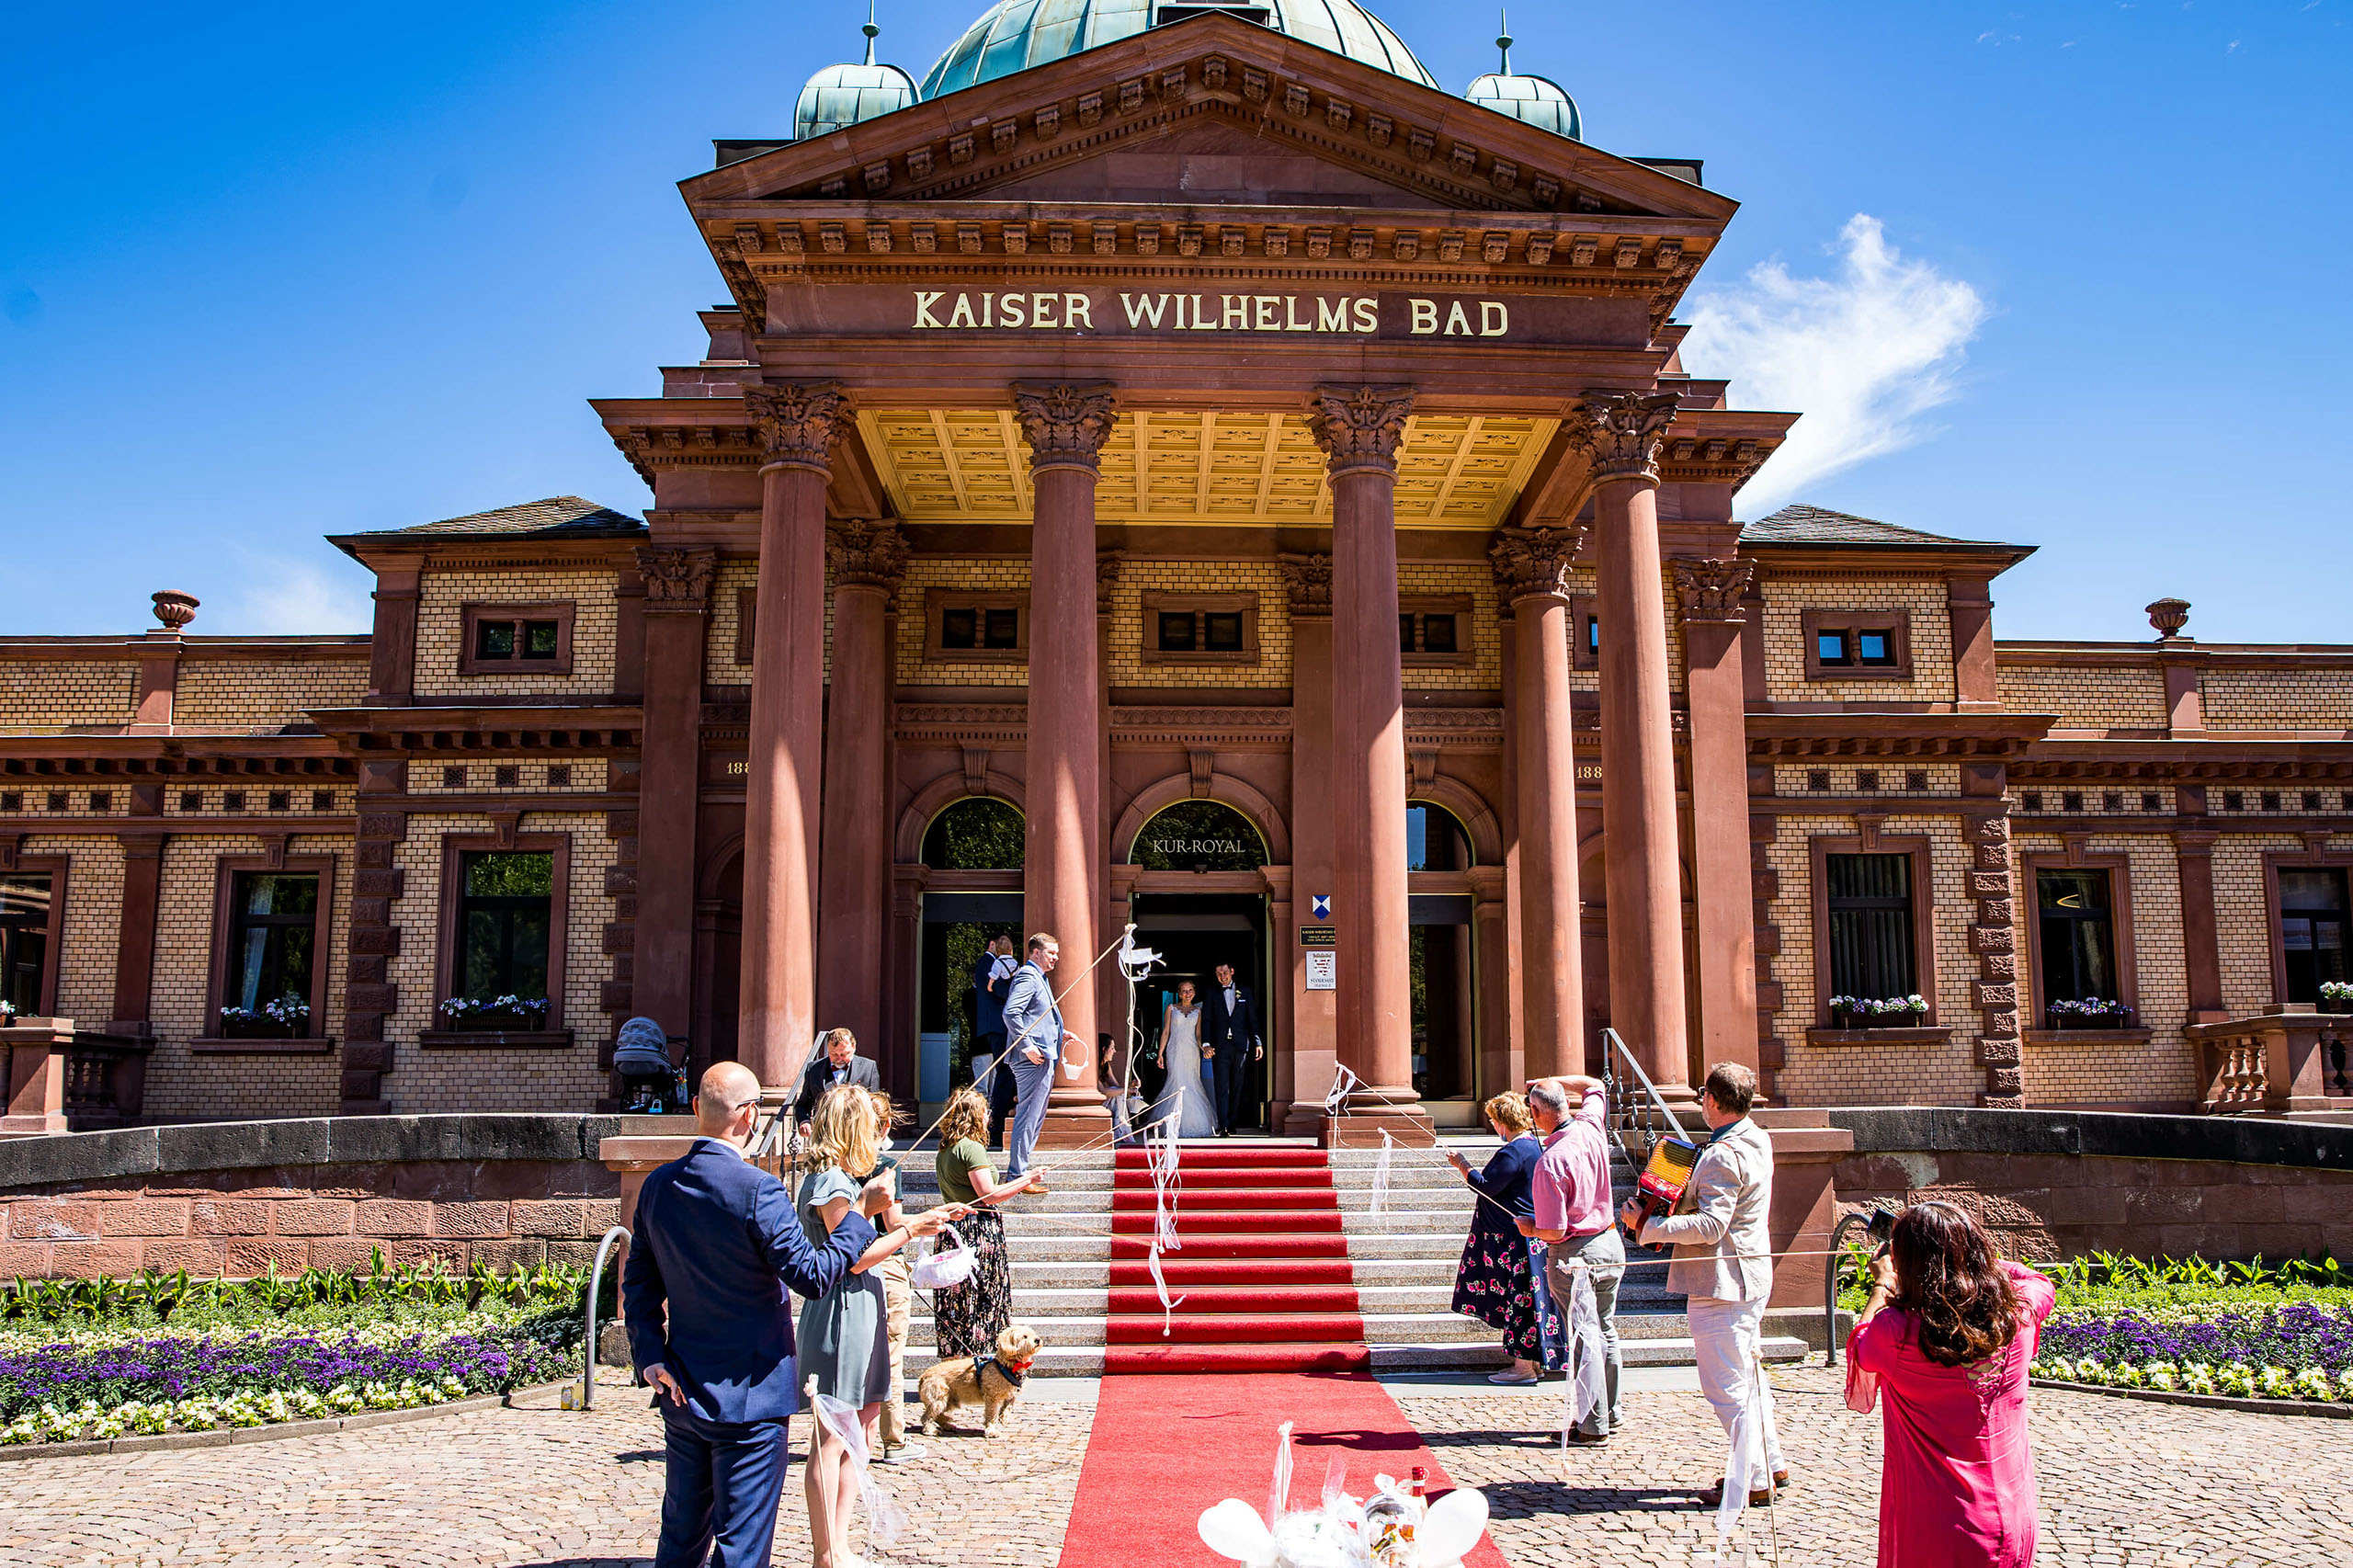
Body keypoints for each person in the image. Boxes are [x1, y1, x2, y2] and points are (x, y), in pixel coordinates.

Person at [621, 1061, 946, 1568]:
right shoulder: (757, 1189)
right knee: (742, 1547)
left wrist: (648, 1356)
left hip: (680, 1386)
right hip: (750, 1400)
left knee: (681, 1541)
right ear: (750, 1116)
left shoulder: (658, 1186)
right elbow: (813, 1276)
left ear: (695, 1110)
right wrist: (861, 1215)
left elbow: (637, 1286)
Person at [1845, 1202, 2057, 1568]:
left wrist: (1882, 1284)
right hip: (2013, 1515)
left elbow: (1861, 1347)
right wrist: (1965, 1259)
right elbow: (2039, 1282)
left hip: (1938, 1524)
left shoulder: (1897, 1334)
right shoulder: (2018, 1315)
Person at [797, 1084, 958, 1568]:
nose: (877, 1130)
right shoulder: (831, 1182)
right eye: (870, 1121)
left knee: (854, 1436)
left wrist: (918, 1222)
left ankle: (840, 1547)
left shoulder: (845, 1179)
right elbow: (852, 1257)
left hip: (860, 1310)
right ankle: (826, 1553)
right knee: (830, 1438)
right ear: (852, 1126)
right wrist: (906, 1228)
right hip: (838, 1314)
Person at [1620, 1062, 1789, 1508]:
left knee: (1725, 1387)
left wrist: (1649, 1224)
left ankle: (1753, 1478)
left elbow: (1712, 1225)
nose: (1701, 1104)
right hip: (1752, 1273)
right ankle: (1770, 1461)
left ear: (1713, 1101)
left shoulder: (1720, 1153)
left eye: (1703, 1097)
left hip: (1723, 1284)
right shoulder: (1757, 1137)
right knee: (1749, 1375)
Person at [1518, 1074, 1624, 1439]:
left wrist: (1529, 1228)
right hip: (1610, 1243)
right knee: (1605, 1329)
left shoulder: (1550, 1162)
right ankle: (1610, 1411)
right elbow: (1595, 1085)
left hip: (1575, 1254)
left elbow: (1555, 1230)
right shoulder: (1592, 1126)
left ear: (1535, 1111)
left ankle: (1593, 1425)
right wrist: (1553, 1082)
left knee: (1584, 1338)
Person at [1444, 1091, 1563, 1384]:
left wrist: (1461, 1163)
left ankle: (1522, 1368)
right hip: (1530, 1236)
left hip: (1519, 1239)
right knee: (1530, 1300)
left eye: (1494, 1121)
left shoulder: (1515, 1150)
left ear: (1501, 1123)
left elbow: (1487, 1186)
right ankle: (1532, 1363)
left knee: (1522, 1301)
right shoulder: (1534, 1146)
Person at [932, 1084, 1041, 1358]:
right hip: (976, 1232)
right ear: (973, 1115)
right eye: (985, 1111)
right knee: (981, 1299)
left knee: (956, 1301)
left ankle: (958, 1359)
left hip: (953, 1229)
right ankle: (978, 1362)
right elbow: (988, 1195)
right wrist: (1026, 1180)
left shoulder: (945, 1149)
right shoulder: (971, 1149)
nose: (988, 1116)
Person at [858, 1088, 925, 1465]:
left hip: (852, 1264)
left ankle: (857, 1433)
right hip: (885, 1263)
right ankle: (894, 1439)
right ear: (884, 1125)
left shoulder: (842, 1163)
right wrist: (928, 1221)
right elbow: (894, 1223)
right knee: (890, 1353)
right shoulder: (884, 1164)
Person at [999, 932, 1080, 1181]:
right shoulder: (1028, 975)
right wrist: (1027, 1045)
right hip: (1032, 1059)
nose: (1056, 958)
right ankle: (1017, 1175)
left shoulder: (1039, 978)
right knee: (1028, 1115)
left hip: (1044, 1055)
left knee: (1035, 1115)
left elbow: (1033, 1016)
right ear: (1036, 952)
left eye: (1057, 953)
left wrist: (1058, 1032)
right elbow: (1011, 1013)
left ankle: (1020, 1172)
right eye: (1051, 953)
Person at [1201, 960, 1265, 1136]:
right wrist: (1206, 1043)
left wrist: (1257, 1042)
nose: (1222, 977)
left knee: (1238, 1085)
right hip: (1220, 1046)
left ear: (1232, 971)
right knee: (1221, 1086)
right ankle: (1224, 1125)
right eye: (1218, 974)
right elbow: (1207, 1019)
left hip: (1240, 1045)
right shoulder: (1212, 993)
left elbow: (1252, 1019)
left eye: (1225, 973)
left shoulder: (1245, 992)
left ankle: (1233, 1122)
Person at [1151, 979, 1220, 1138]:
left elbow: (1198, 1035)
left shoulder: (1198, 1011)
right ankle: (1173, 1123)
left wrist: (1204, 1047)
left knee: (1192, 1083)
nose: (1187, 994)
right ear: (1179, 993)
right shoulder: (1171, 1008)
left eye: (1190, 991)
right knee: (1176, 1082)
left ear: (1194, 993)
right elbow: (1166, 1031)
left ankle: (1194, 1123)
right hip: (1174, 1050)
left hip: (1191, 1052)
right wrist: (1160, 1053)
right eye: (1184, 990)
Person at [970, 934, 1019, 1147]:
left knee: (1005, 1072)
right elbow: (999, 990)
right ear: (992, 945)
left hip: (996, 1026)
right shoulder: (989, 962)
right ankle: (997, 1126)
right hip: (998, 1025)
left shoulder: (991, 964)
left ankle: (999, 1123)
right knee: (1005, 1071)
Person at [793, 1028, 881, 1134]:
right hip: (824, 1135)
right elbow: (803, 1104)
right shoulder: (814, 1069)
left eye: (844, 1054)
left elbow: (875, 1103)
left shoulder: (868, 1067)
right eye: (833, 1054)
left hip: (856, 1134)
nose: (839, 1059)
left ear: (854, 1047)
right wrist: (804, 1121)